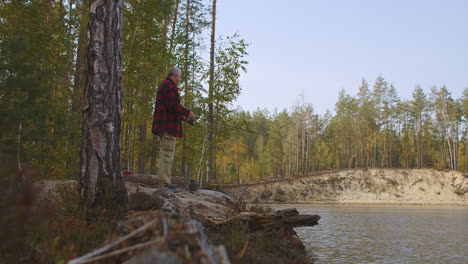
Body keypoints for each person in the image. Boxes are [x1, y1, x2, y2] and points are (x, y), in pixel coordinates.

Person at [152, 67, 196, 189]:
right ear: (175, 75)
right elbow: (173, 106)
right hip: (167, 127)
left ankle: (165, 182)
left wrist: (185, 119)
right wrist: (188, 113)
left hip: (165, 125)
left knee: (166, 154)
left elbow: (170, 109)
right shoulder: (169, 86)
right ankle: (164, 184)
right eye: (180, 77)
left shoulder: (166, 86)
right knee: (167, 155)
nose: (180, 80)